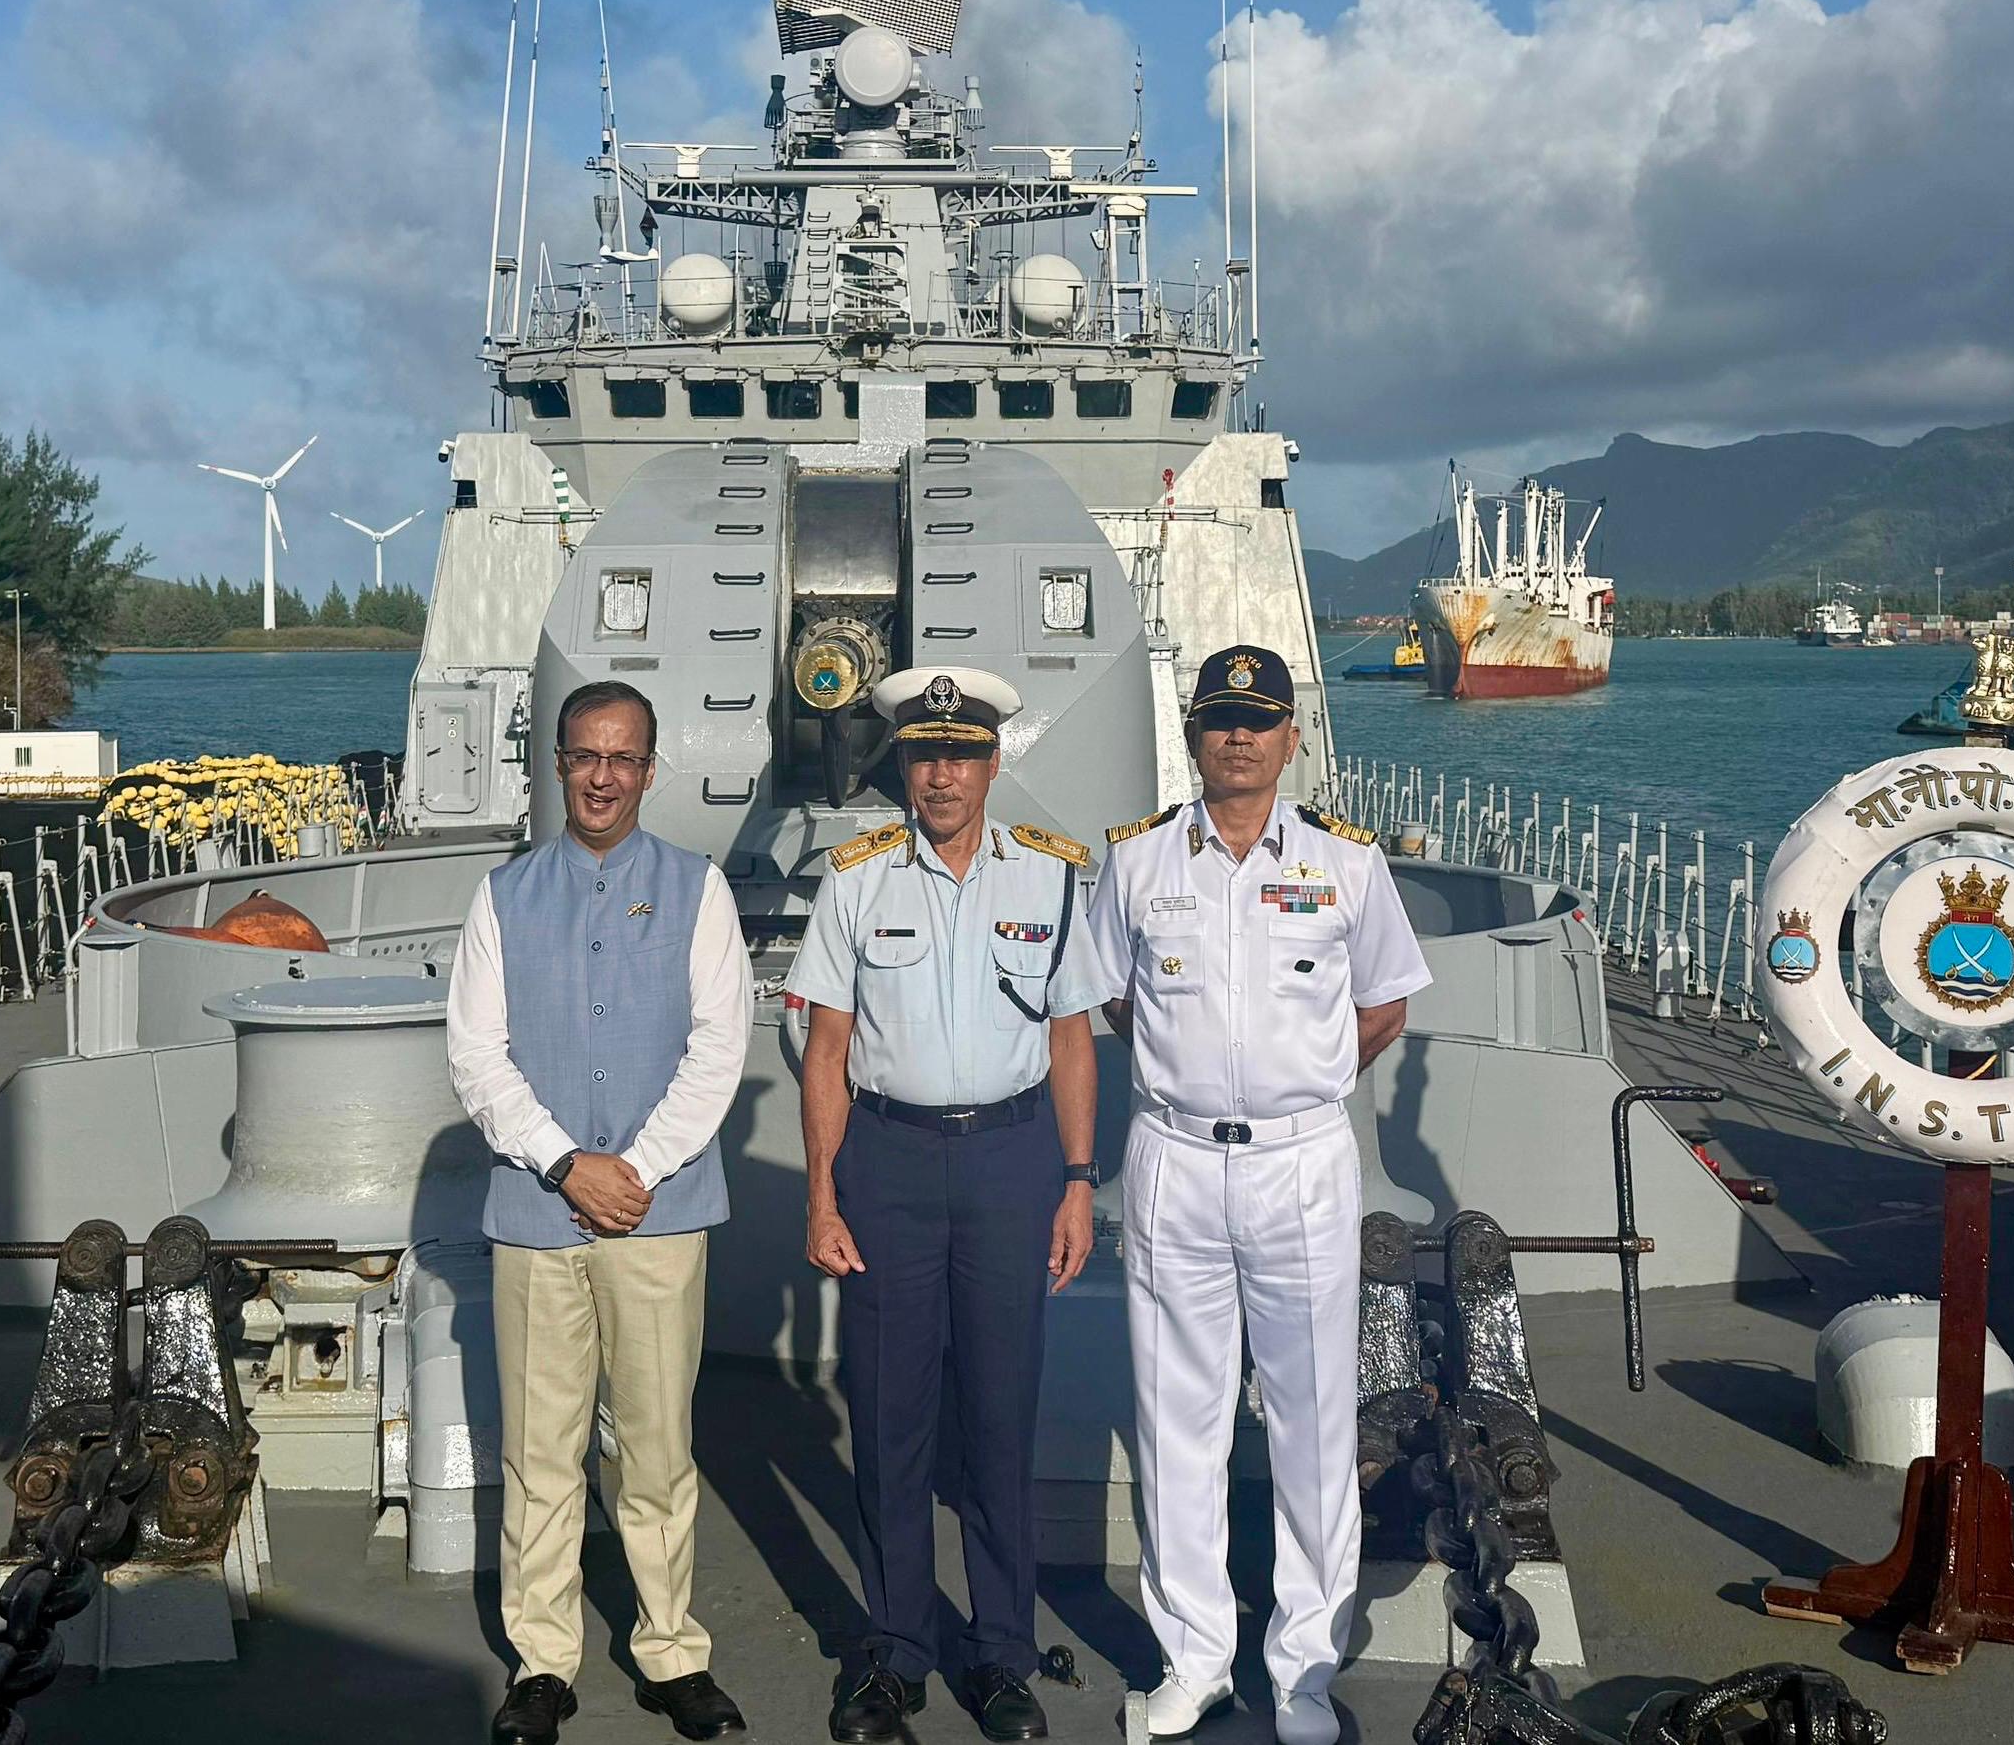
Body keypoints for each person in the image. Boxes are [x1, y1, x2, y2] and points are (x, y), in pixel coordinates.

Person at [1084, 648, 1430, 1745]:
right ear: (1192, 736)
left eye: (1258, 721)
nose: (1237, 739)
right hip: (1175, 1159)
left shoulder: (1345, 865)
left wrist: (1295, 1093)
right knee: (1173, 1418)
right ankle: (1193, 1660)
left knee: (1314, 1420)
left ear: (1291, 739)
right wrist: (1197, 1090)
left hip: (1299, 1164)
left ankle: (1305, 1669)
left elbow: (1383, 1008)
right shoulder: (1136, 864)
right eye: (1219, 721)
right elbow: (1110, 1001)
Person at [793, 668, 1117, 1743]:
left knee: (996, 1412)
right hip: (887, 1162)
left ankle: (1001, 1653)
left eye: (963, 753)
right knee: (887, 1415)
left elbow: (1071, 1037)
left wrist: (1077, 1182)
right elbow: (827, 1052)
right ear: (903, 764)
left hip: (1013, 1162)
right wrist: (821, 1195)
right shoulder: (856, 880)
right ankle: (893, 1651)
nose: (942, 772)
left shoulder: (1055, 879)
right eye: (924, 754)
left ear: (992, 762)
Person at [445, 682, 749, 1745]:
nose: (604, 776)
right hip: (538, 1216)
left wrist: (638, 1170)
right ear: (558, 765)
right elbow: (477, 1058)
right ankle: (543, 1660)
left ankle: (670, 1650)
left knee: (658, 1448)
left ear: (649, 769)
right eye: (585, 757)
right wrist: (569, 1163)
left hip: (658, 1219)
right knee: (540, 1451)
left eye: (623, 758)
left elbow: (720, 1045)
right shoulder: (501, 897)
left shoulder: (698, 891)